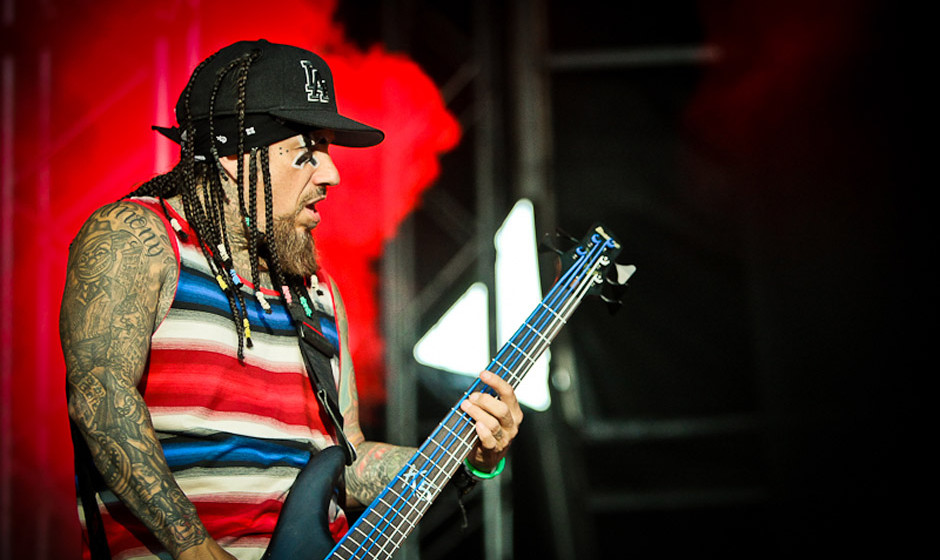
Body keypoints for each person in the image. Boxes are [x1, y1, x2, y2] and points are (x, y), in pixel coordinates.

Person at [60, 39, 523, 560]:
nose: (331, 174)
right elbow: (101, 401)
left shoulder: (316, 292)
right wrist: (195, 549)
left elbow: (347, 462)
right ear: (234, 156)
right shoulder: (136, 238)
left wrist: (468, 457)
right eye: (308, 152)